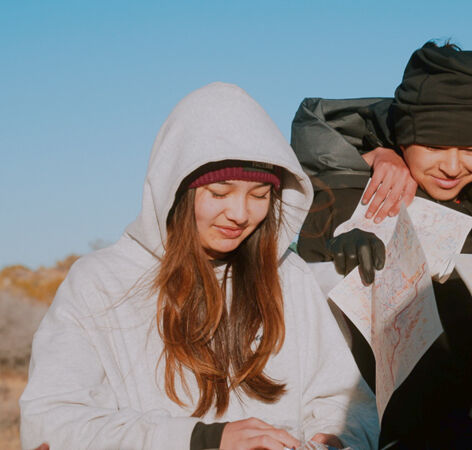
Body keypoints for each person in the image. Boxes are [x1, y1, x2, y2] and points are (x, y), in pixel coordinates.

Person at [20, 82, 379, 450]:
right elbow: (52, 421)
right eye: (219, 193)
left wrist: (335, 442)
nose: (240, 214)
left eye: (259, 195)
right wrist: (203, 440)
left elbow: (346, 406)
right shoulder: (100, 282)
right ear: (177, 190)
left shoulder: (289, 277)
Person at [294, 42, 472, 449]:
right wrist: (329, 255)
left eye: (470, 149)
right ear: (403, 138)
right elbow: (301, 330)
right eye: (434, 146)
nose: (453, 166)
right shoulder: (353, 201)